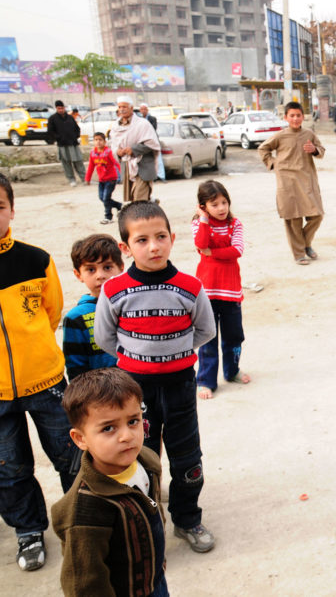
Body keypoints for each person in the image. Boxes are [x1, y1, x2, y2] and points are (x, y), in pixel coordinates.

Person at [94, 201, 217, 553]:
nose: (154, 246)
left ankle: (188, 518)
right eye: (142, 239)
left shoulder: (190, 286)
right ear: (125, 247)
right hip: (134, 390)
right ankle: (146, 526)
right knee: (138, 456)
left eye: (161, 237)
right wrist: (139, 355)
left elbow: (205, 330)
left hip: (180, 385)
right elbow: (106, 337)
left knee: (187, 457)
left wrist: (174, 351)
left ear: (172, 238)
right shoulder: (114, 290)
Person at [0, 173, 77, 571]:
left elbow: (51, 312)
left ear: (12, 209)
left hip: (45, 382)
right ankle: (28, 531)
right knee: (10, 468)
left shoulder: (35, 260)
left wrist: (32, 352)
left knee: (69, 455)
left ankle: (77, 521)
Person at [52, 368, 168, 596]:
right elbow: (84, 585)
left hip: (154, 580)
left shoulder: (147, 461)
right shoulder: (84, 511)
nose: (126, 436)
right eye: (108, 428)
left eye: (133, 421)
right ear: (80, 438)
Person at [192, 180, 250, 399]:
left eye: (224, 202)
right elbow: (200, 244)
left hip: (231, 290)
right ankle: (206, 380)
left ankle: (232, 370)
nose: (221, 208)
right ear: (203, 206)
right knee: (208, 338)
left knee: (234, 335)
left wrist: (212, 253)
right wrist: (204, 220)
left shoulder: (235, 224)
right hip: (207, 291)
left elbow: (237, 250)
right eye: (214, 204)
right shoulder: (199, 224)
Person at [258, 101, 326, 265]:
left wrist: (314, 150)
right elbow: (263, 149)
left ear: (303, 116)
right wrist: (273, 163)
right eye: (292, 116)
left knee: (317, 215)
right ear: (286, 117)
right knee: (293, 219)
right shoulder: (280, 136)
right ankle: (299, 254)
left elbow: (321, 151)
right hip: (287, 183)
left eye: (298, 115)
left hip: (306, 180)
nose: (295, 119)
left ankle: (306, 244)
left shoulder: (309, 134)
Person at [62, 234, 123, 381]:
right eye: (91, 270)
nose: (100, 275)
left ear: (121, 268)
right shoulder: (76, 318)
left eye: (107, 267)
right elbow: (76, 370)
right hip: (102, 395)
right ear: (78, 274)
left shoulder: (132, 305)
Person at [108, 96, 160, 203]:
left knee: (139, 198)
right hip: (127, 165)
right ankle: (151, 202)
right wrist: (117, 151)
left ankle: (146, 211)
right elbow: (113, 144)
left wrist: (134, 149)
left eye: (124, 107)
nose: (121, 109)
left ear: (131, 108)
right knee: (132, 199)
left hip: (142, 165)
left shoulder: (142, 124)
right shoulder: (115, 126)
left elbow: (152, 144)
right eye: (119, 107)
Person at [47, 100, 87, 188]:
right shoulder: (52, 119)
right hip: (62, 145)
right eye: (58, 108)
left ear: (64, 108)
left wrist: (75, 136)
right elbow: (50, 131)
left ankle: (84, 178)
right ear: (56, 108)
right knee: (66, 163)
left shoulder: (70, 117)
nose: (60, 110)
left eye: (62, 108)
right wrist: (59, 138)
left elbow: (77, 128)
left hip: (73, 143)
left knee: (78, 161)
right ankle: (71, 179)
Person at [85, 132, 122, 224]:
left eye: (100, 140)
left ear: (105, 142)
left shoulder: (108, 152)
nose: (98, 142)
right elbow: (91, 166)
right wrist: (88, 178)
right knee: (102, 198)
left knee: (106, 198)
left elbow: (115, 163)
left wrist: (121, 174)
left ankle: (108, 217)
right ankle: (118, 205)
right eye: (96, 140)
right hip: (101, 180)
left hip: (111, 179)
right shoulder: (93, 153)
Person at [138, 102, 166, 183]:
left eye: (144, 109)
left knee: (158, 158)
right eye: (141, 109)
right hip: (142, 141)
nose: (143, 111)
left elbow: (153, 129)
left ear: (147, 110)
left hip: (152, 140)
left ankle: (161, 176)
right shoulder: (138, 119)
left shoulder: (152, 119)